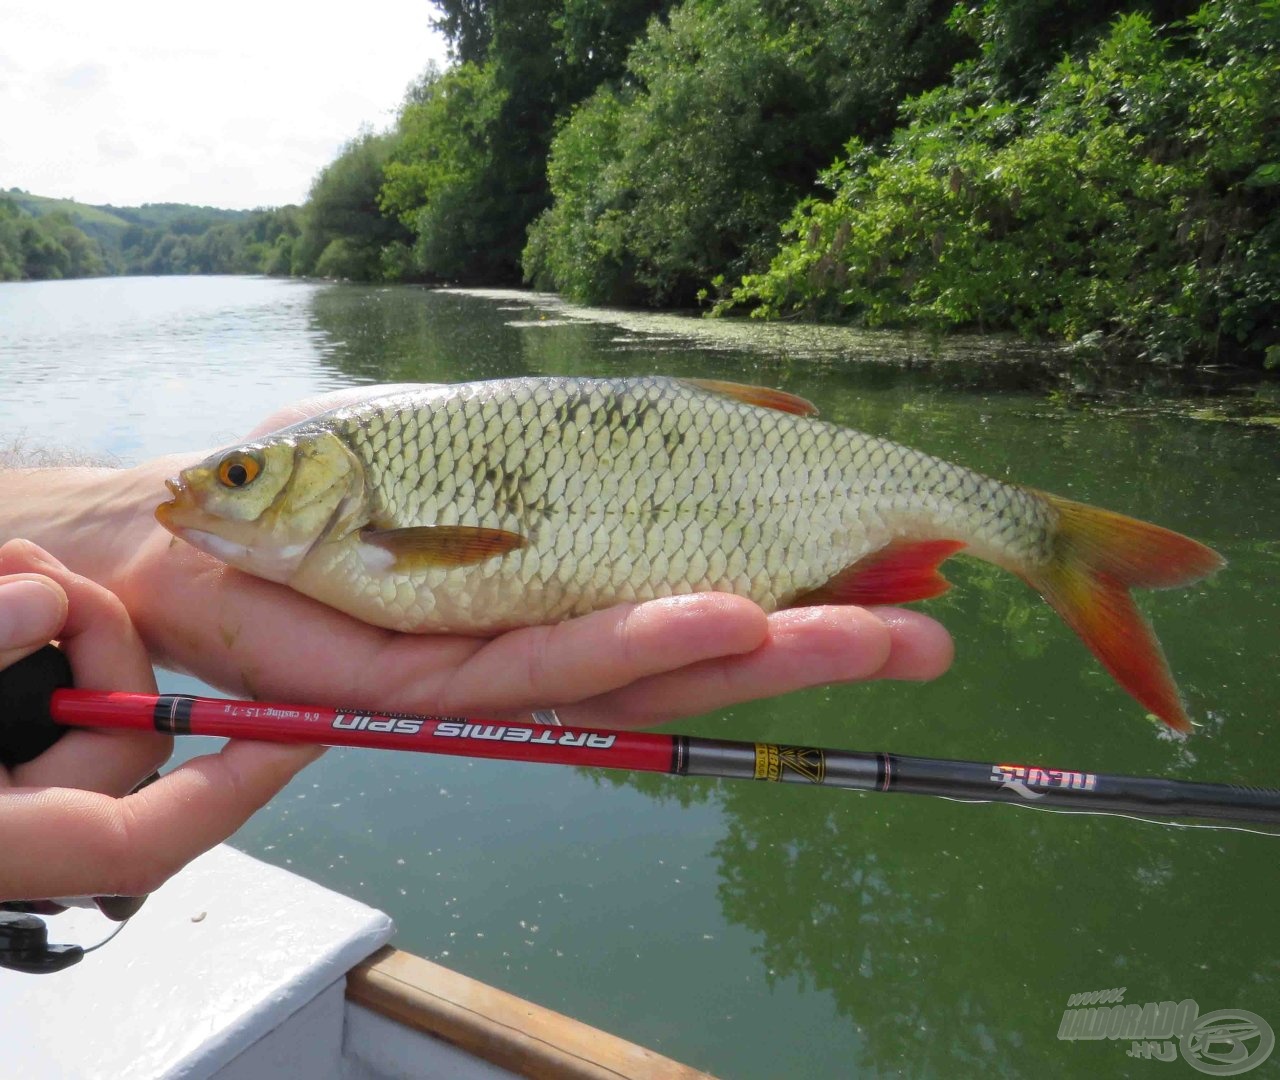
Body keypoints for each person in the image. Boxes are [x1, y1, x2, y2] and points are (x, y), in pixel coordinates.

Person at [0, 390, 953, 902]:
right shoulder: (336, 510)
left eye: (241, 477)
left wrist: (108, 513)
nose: (204, 496)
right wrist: (116, 515)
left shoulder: (363, 509)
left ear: (331, 481)